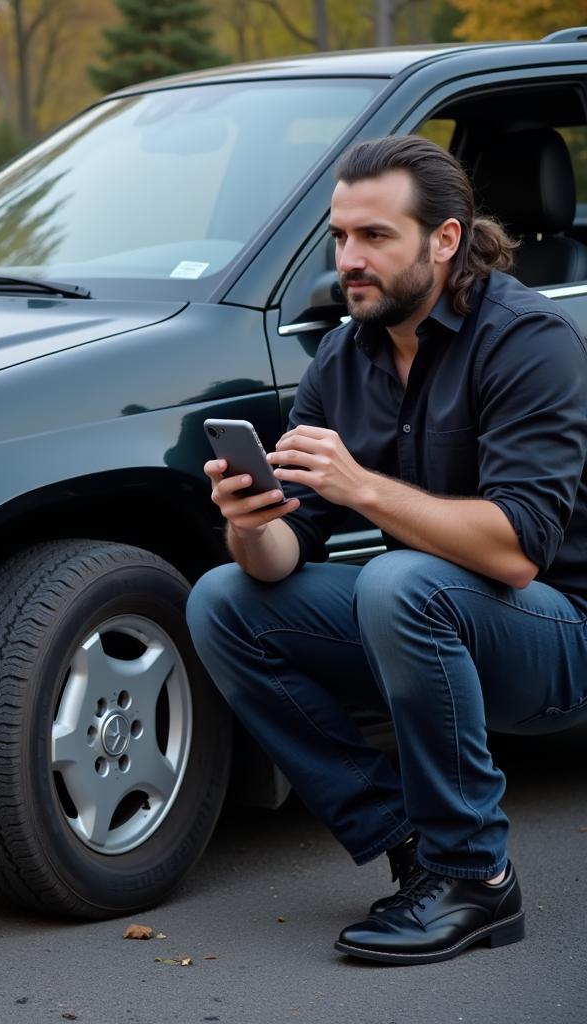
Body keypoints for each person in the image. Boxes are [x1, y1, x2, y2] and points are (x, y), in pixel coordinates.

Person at [186, 134, 587, 965]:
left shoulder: (527, 340)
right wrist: (250, 521)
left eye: (375, 237)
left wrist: (361, 487)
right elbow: (284, 558)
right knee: (221, 600)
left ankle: (477, 877)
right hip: (447, 622)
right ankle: (414, 846)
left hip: (561, 638)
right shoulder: (343, 354)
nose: (349, 259)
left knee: (399, 582)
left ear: (444, 240)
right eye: (340, 237)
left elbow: (516, 552)